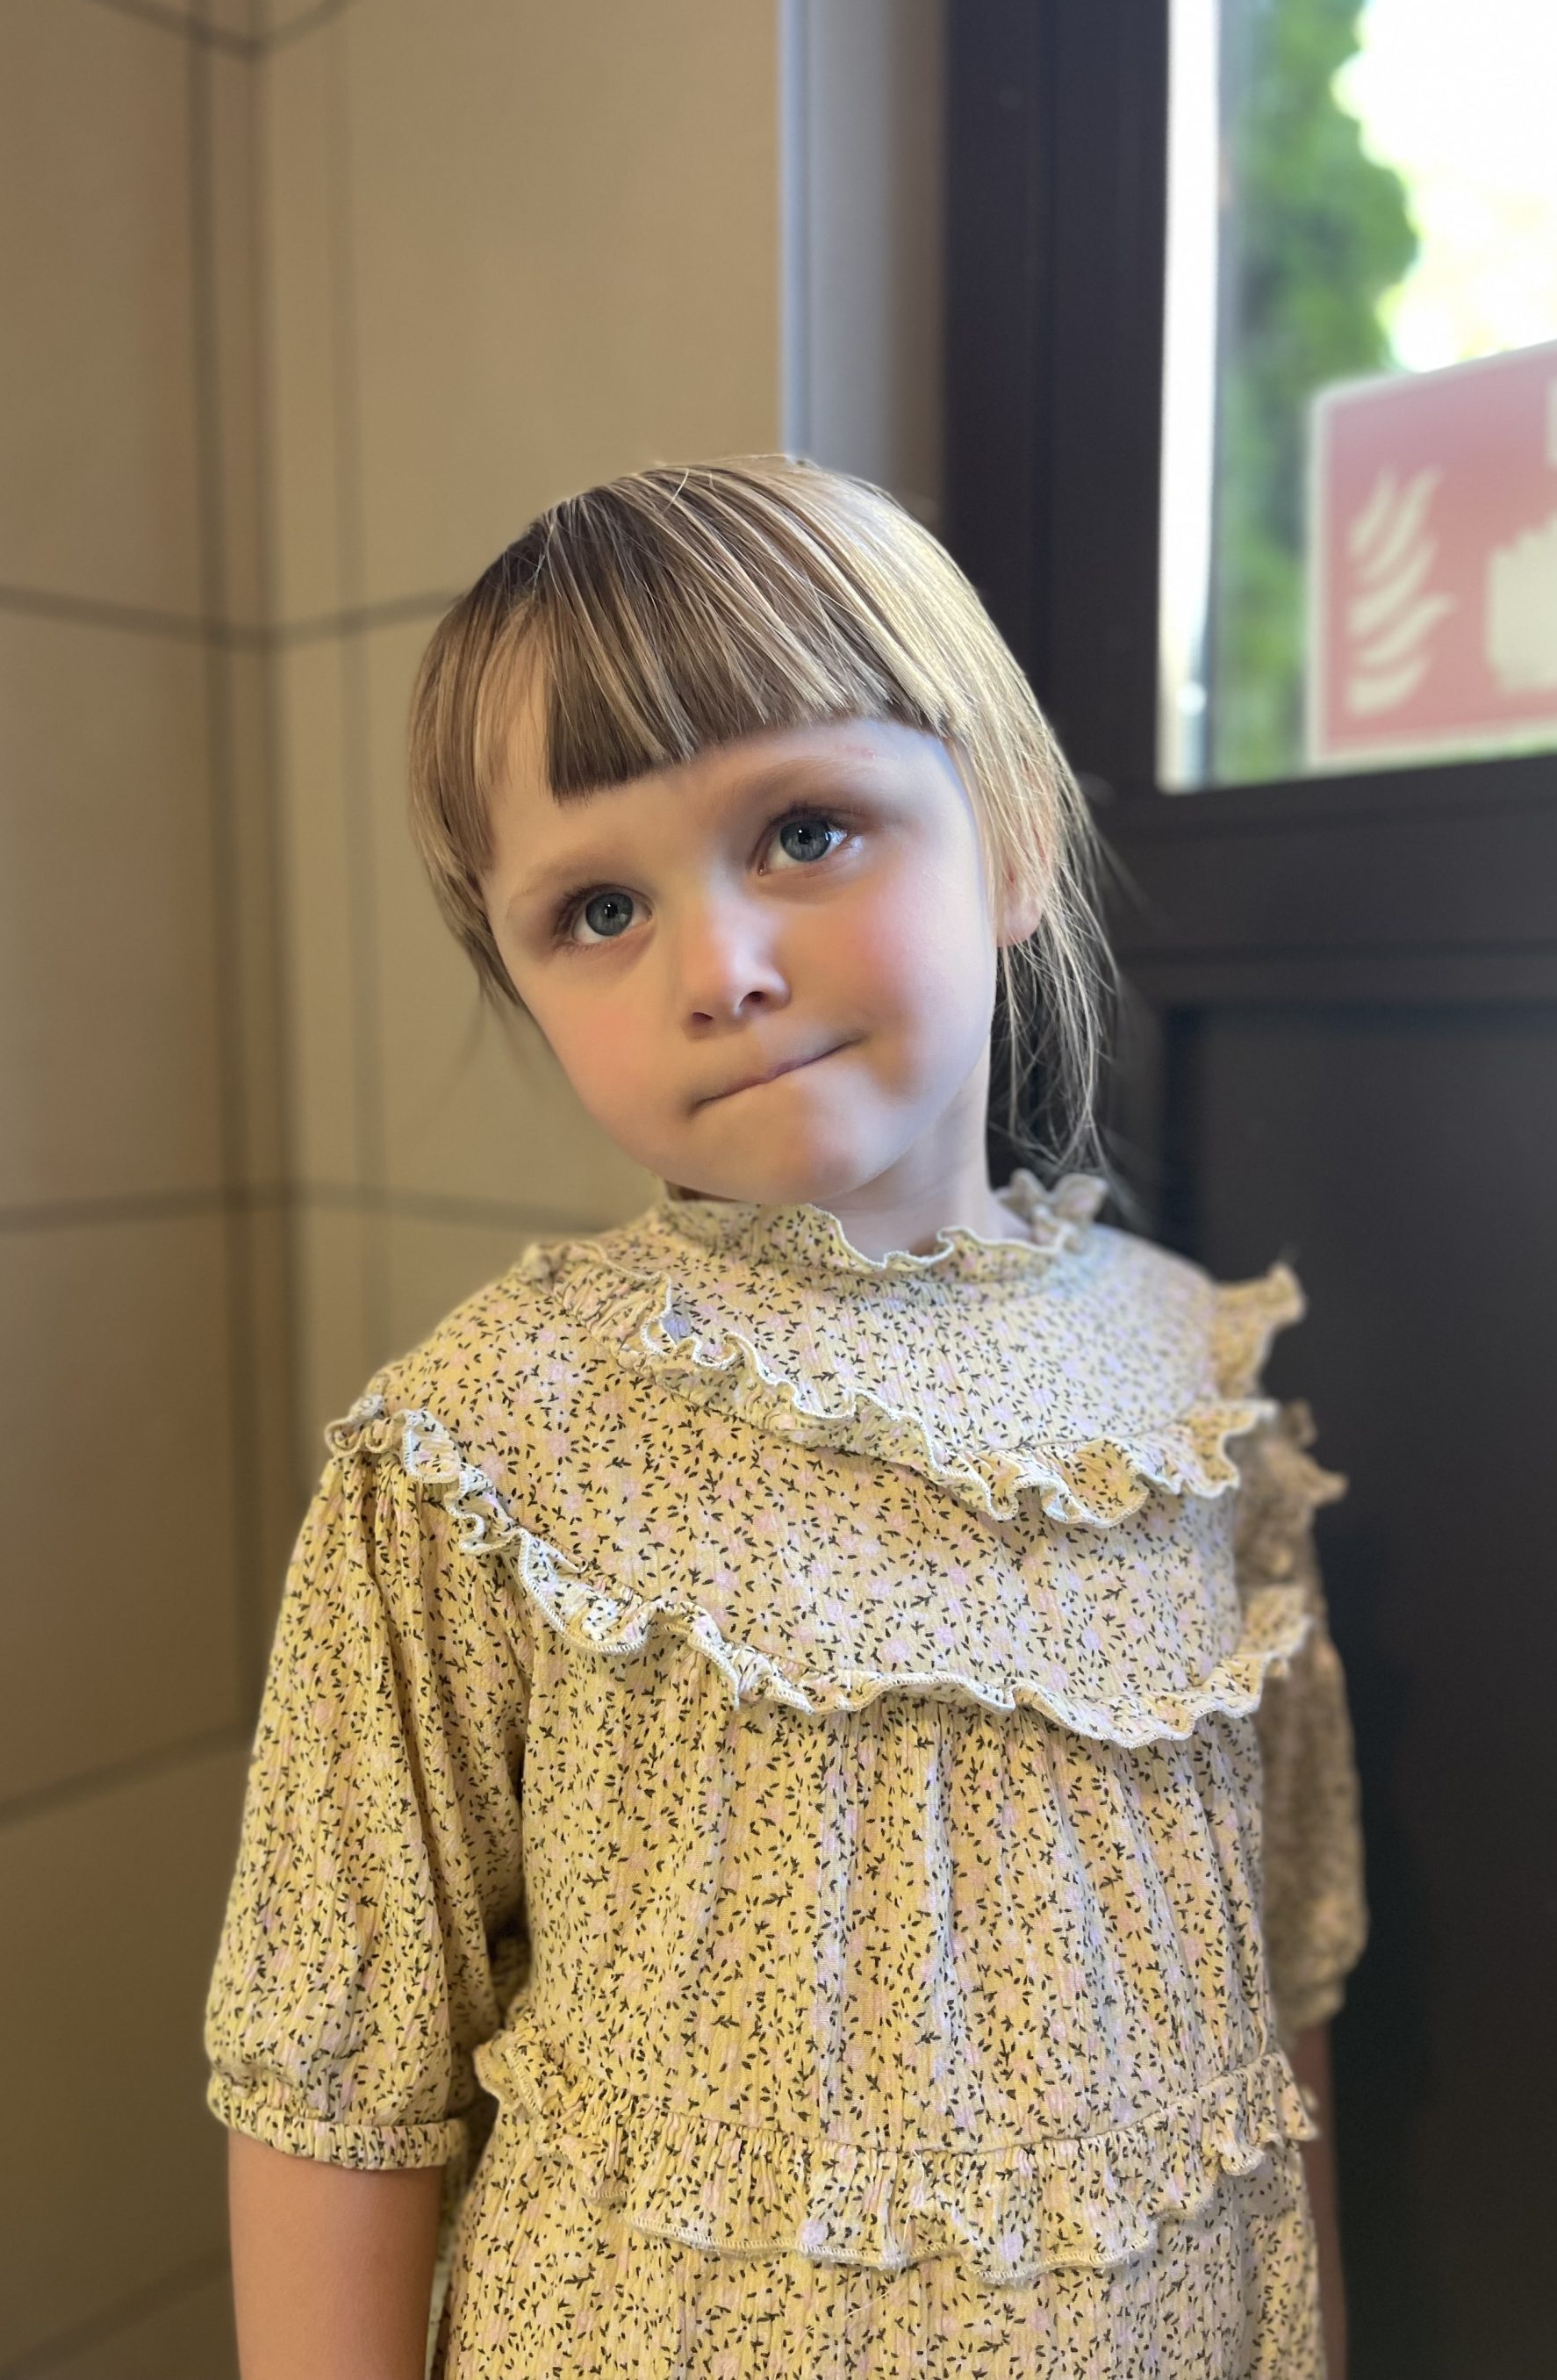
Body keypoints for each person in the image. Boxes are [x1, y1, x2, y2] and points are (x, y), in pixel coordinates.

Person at [204, 457, 1368, 2379]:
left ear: (1010, 839)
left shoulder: (1191, 1381)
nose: (722, 972)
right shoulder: (483, 1449)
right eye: (597, 906)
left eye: (806, 832)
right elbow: (334, 2079)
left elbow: (1280, 1977)